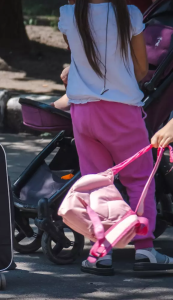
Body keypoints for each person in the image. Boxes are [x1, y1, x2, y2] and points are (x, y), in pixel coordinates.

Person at [57, 0, 173, 275]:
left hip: (83, 111)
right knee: (139, 179)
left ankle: (101, 252)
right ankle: (144, 249)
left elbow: (79, 57)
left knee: (96, 182)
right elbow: (141, 70)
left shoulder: (67, 14)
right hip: (122, 110)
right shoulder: (130, 14)